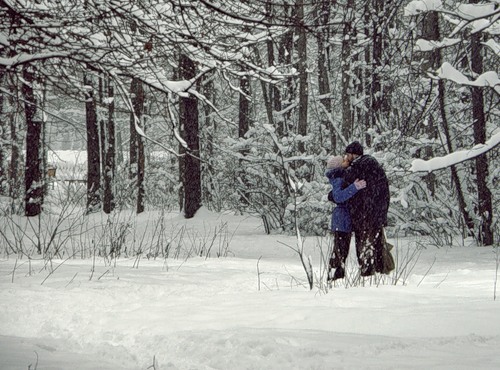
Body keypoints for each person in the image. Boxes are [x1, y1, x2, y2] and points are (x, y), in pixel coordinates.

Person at [342, 141, 390, 276]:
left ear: (353, 154)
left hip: (364, 215)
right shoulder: (374, 166)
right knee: (377, 245)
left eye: (348, 155)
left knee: (364, 247)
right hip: (377, 214)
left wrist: (343, 166)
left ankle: (367, 276)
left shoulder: (358, 166)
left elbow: (345, 183)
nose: (346, 157)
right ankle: (380, 273)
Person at [325, 155, 366, 281]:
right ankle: (334, 277)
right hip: (341, 220)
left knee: (341, 250)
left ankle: (336, 276)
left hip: (344, 220)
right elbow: (338, 196)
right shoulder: (337, 178)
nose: (346, 160)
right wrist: (355, 187)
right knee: (340, 251)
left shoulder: (340, 176)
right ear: (338, 166)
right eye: (343, 161)